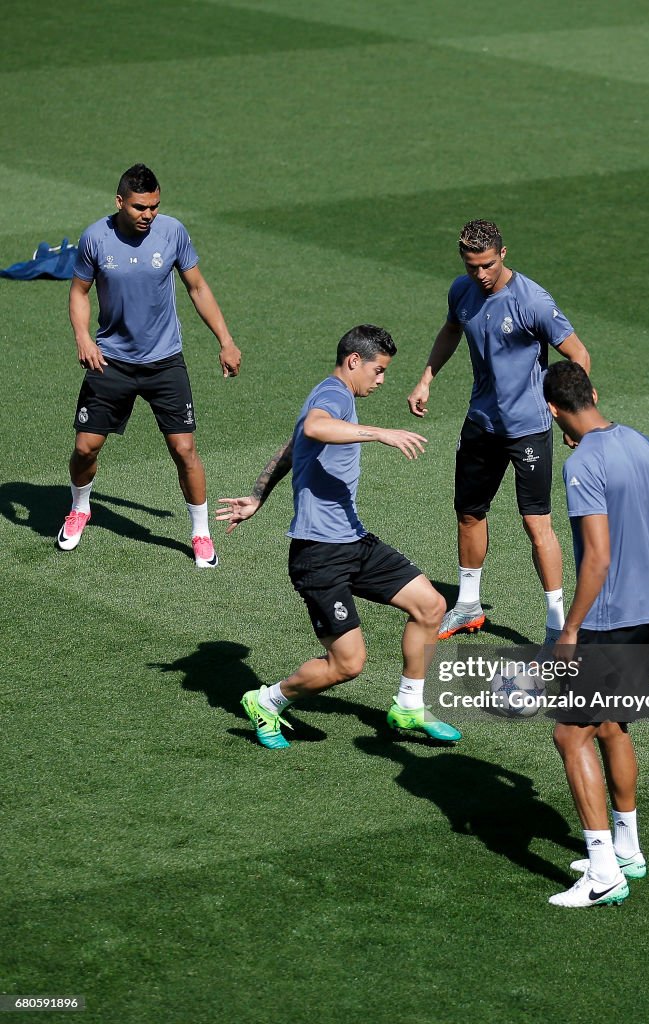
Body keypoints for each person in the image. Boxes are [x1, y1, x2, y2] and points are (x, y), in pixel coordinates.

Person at [216, 324, 461, 750]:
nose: (381, 380)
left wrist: (258, 496)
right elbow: (313, 428)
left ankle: (408, 705)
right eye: (379, 371)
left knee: (431, 605)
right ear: (353, 362)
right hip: (318, 555)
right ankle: (267, 701)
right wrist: (380, 433)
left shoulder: (340, 396)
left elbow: (293, 446)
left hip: (353, 540)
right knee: (348, 665)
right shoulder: (332, 395)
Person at [407, 219, 590, 644]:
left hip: (528, 428)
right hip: (481, 423)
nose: (481, 275)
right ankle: (468, 605)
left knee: (536, 522)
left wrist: (572, 414)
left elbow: (578, 353)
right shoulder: (462, 291)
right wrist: (426, 378)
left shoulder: (533, 301)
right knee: (469, 512)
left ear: (503, 255)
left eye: (488, 265)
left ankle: (555, 623)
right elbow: (452, 328)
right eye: (472, 267)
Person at [542, 362, 649, 908]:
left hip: (609, 620)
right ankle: (628, 849)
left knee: (571, 735)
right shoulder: (640, 443)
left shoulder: (582, 464)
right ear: (593, 394)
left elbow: (596, 557)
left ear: (553, 411)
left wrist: (571, 627)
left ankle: (603, 872)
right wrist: (646, 574)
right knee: (614, 726)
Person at [58, 163, 241, 566]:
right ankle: (80, 508)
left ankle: (201, 534)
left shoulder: (172, 231)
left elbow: (197, 286)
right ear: (120, 201)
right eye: (141, 207)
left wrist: (225, 340)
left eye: (155, 206)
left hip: (164, 362)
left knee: (185, 449)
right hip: (111, 361)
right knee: (85, 448)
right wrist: (83, 337)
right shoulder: (96, 238)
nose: (149, 215)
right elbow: (79, 292)